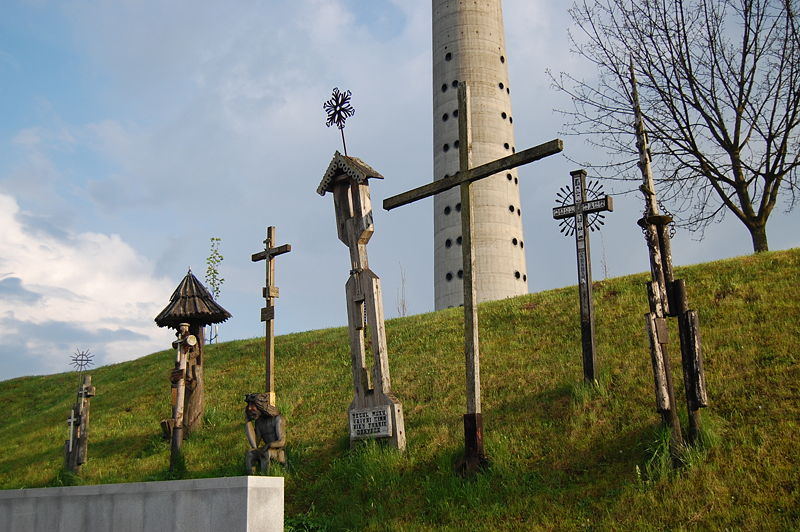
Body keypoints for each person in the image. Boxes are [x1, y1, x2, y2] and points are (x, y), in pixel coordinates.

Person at [244, 393, 286, 473]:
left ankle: (265, 476)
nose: (249, 408)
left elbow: (282, 442)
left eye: (252, 405)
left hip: (279, 453)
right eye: (249, 405)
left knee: (266, 453)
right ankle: (251, 477)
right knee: (250, 454)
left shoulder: (277, 419)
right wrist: (247, 421)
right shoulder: (259, 422)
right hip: (266, 450)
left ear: (260, 406)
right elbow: (254, 445)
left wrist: (268, 445)